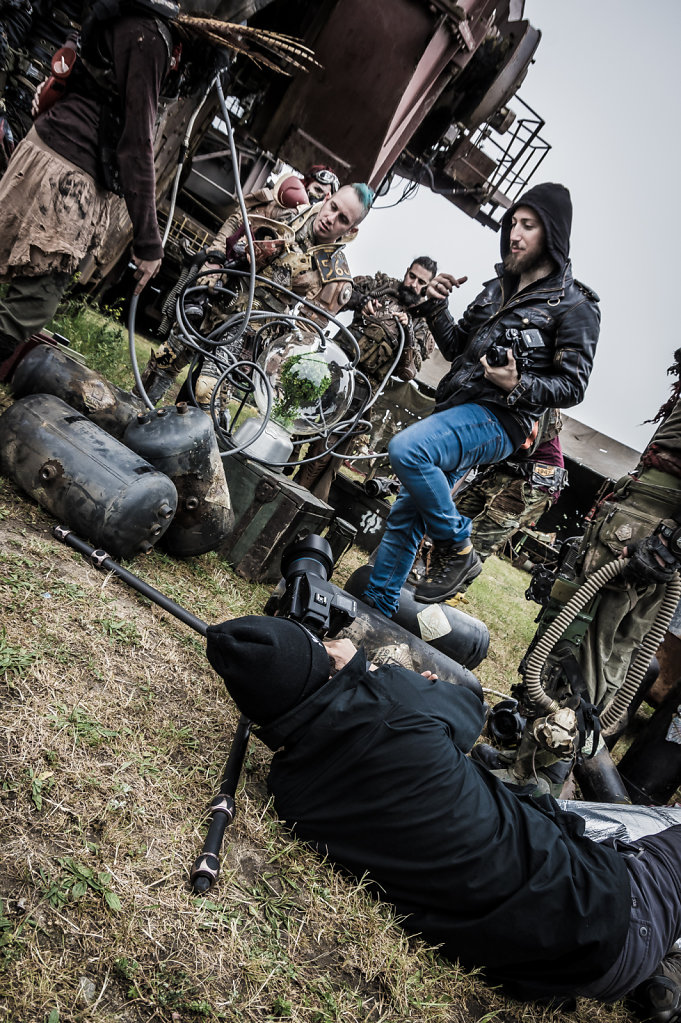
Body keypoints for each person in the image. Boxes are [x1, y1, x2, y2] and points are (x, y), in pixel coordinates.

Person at [205, 614, 681, 1019]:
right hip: (614, 903)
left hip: (557, 965)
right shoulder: (396, 703)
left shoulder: (289, 793)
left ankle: (657, 971)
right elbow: (470, 708)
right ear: (326, 667)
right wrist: (365, 672)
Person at [361, 182, 600, 617]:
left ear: (553, 234)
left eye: (528, 225)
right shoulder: (494, 288)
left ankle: (456, 546)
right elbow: (456, 349)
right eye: (512, 223)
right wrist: (436, 307)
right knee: (406, 513)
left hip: (500, 419)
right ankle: (375, 608)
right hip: (455, 408)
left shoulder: (575, 305)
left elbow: (573, 385)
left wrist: (518, 383)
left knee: (407, 449)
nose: (514, 233)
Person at [475, 352, 681, 793]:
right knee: (577, 640)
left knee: (588, 650)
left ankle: (537, 775)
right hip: (635, 525)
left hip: (646, 536)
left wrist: (671, 544)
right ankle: (529, 757)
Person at [0, 1, 175, 367]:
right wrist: (148, 241)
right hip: (68, 181)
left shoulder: (119, 12)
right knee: (29, 306)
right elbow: (135, 144)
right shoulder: (149, 34)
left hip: (41, 151)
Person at [139, 182, 373, 408]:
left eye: (343, 219)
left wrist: (277, 359)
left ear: (351, 231)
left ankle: (193, 442)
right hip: (218, 291)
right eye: (333, 207)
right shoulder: (287, 209)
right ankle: (134, 410)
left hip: (250, 326)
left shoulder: (334, 277)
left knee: (207, 388)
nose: (330, 219)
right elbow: (238, 219)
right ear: (326, 199)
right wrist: (214, 258)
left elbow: (307, 332)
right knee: (165, 358)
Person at [294, 257, 437, 500]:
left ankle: (297, 493)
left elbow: (407, 372)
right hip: (332, 366)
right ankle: (275, 469)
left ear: (428, 286)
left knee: (324, 450)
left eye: (421, 282)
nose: (413, 284)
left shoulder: (423, 323)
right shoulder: (381, 285)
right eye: (412, 276)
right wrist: (363, 301)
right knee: (297, 427)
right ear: (406, 272)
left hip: (361, 389)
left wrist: (408, 332)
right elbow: (343, 292)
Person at [455, 409, 567, 562]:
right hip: (505, 471)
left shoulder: (536, 398)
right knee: (452, 527)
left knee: (474, 545)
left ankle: (453, 582)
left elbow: (522, 439)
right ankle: (427, 577)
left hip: (534, 482)